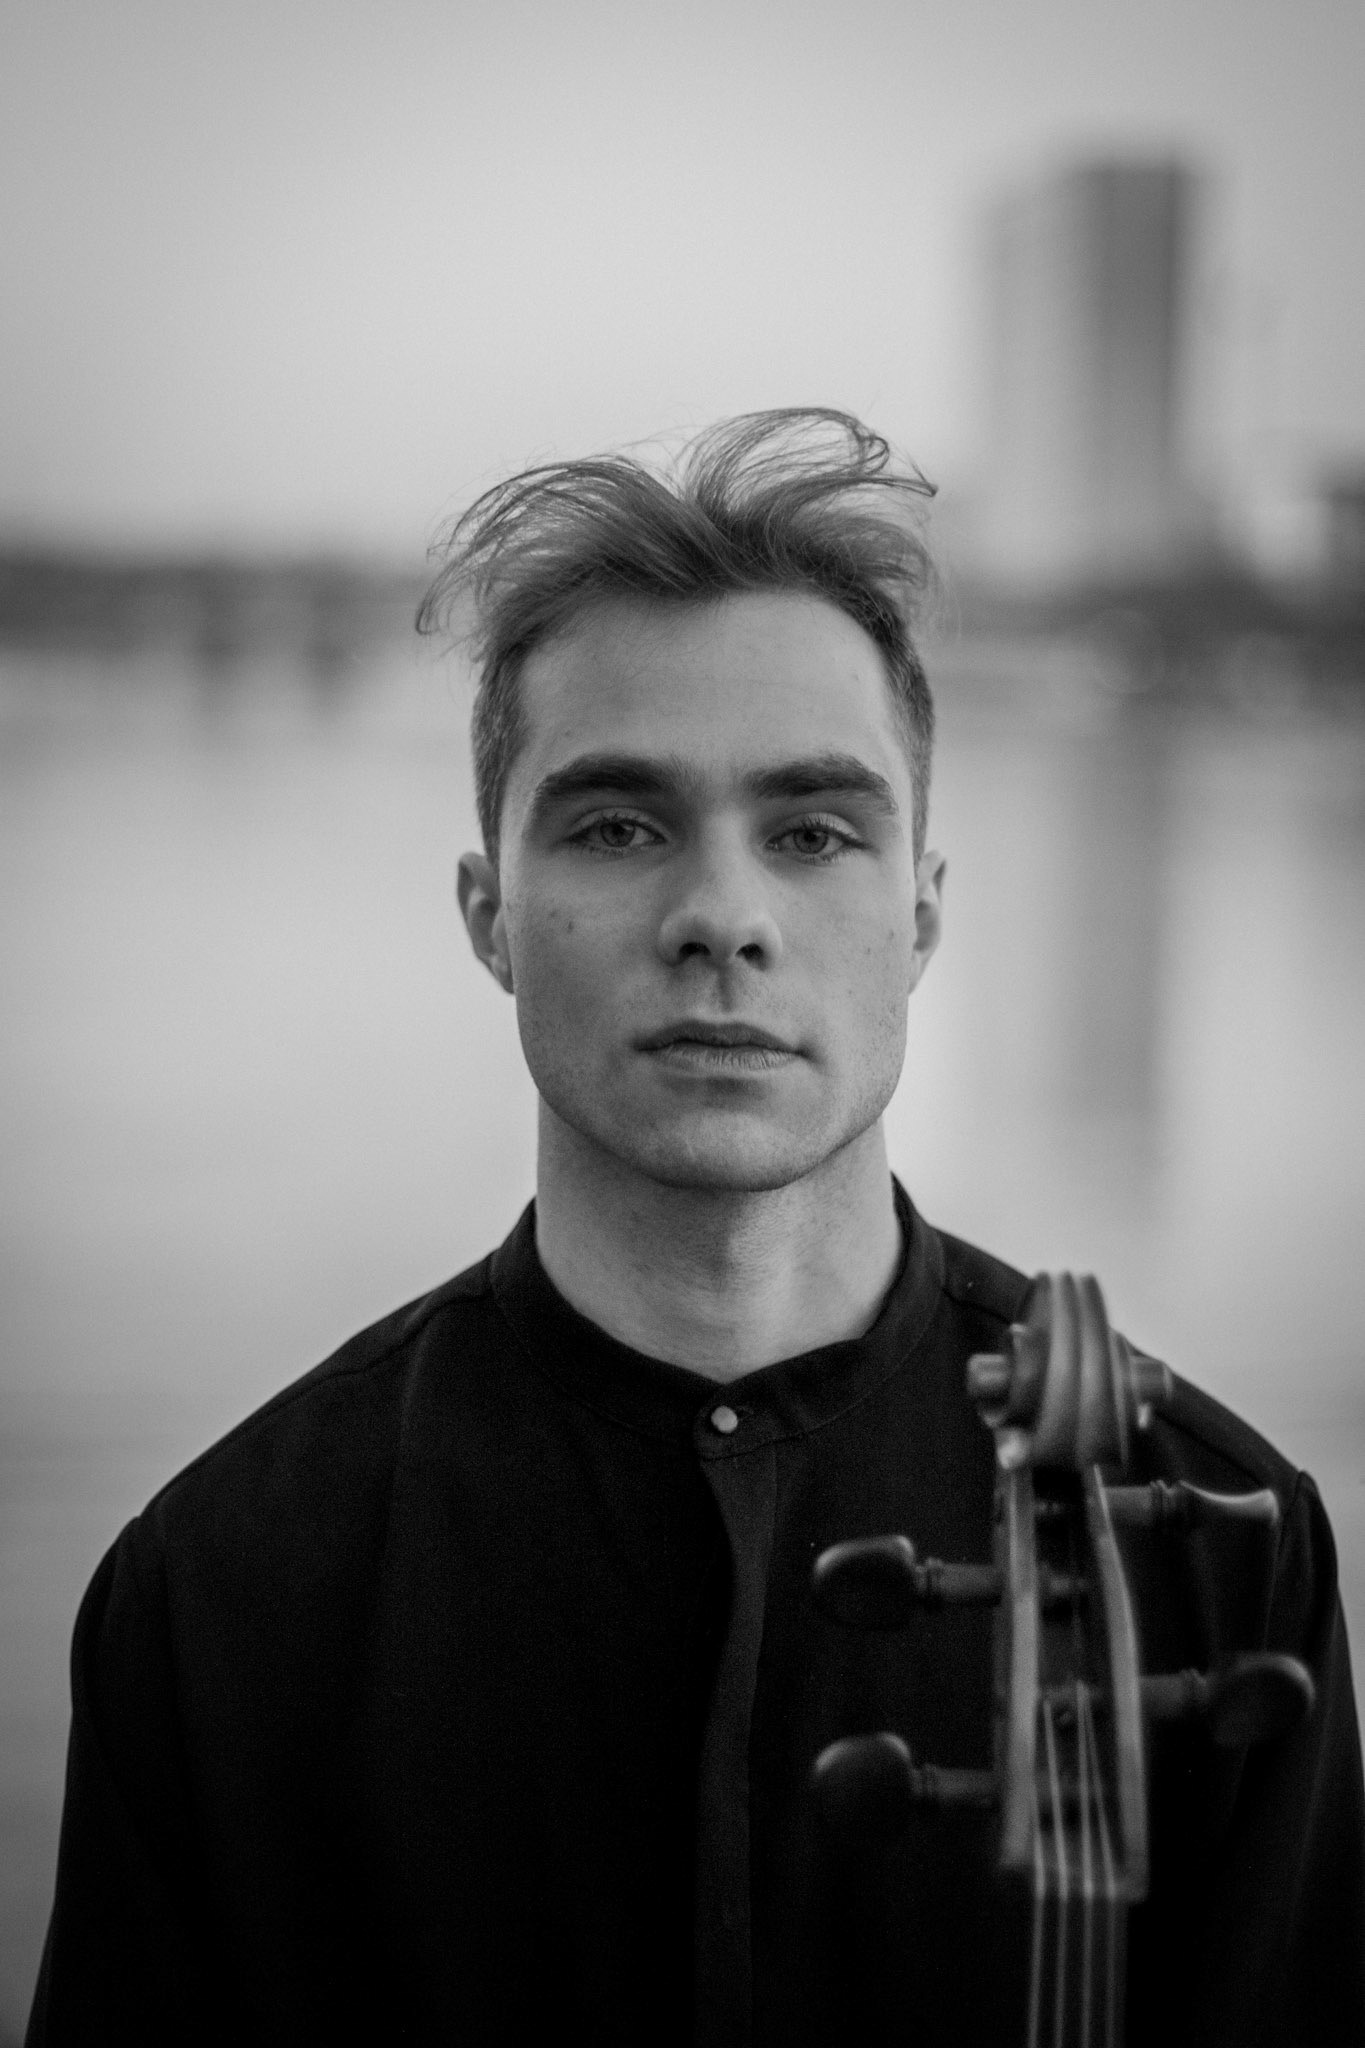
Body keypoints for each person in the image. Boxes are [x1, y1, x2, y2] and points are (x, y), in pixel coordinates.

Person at [27, 411, 1364, 2047]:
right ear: (489, 917)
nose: (721, 917)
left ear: (919, 913)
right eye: (617, 826)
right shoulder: (223, 1588)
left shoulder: (1222, 1549)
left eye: (812, 832)